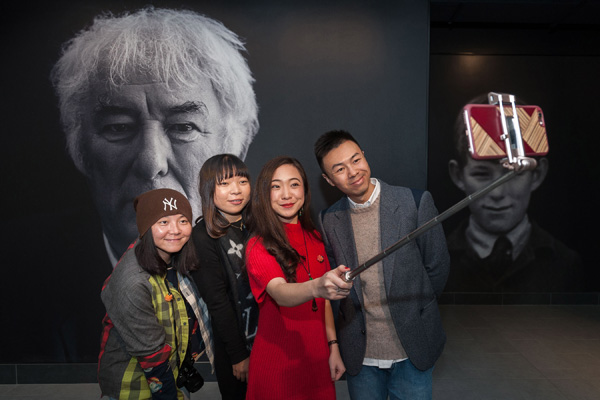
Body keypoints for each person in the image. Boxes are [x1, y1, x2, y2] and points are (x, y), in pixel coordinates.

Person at [43, 6, 258, 363]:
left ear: (236, 147)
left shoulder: (275, 257)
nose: (151, 163)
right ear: (79, 149)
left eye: (184, 127)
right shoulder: (17, 276)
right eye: (117, 127)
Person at [314, 130, 450, 400]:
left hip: (413, 347)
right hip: (361, 353)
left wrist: (415, 309)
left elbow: (437, 268)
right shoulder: (328, 219)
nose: (353, 172)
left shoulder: (414, 203)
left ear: (364, 155)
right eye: (340, 169)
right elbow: (336, 292)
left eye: (355, 159)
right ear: (328, 180)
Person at [444, 94, 584, 292]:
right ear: (458, 175)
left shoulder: (567, 264)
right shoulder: (436, 260)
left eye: (515, 173)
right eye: (482, 174)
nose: (498, 192)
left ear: (537, 174)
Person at [244, 156, 353, 400]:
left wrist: (332, 346)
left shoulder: (314, 236)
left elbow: (322, 302)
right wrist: (316, 286)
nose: (286, 194)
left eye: (294, 184)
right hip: (278, 365)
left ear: (304, 189)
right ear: (265, 194)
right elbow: (281, 292)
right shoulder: (257, 245)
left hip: (316, 359)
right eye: (276, 186)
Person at [98, 188, 213, 400]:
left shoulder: (171, 258)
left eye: (182, 221)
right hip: (135, 388)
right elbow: (152, 357)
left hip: (173, 373)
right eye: (163, 222)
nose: (175, 230)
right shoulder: (133, 282)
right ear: (145, 228)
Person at [191, 154, 258, 399]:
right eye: (225, 183)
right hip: (235, 347)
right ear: (209, 189)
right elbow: (218, 302)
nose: (236, 190)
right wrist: (239, 355)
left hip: (271, 341)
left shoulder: (259, 226)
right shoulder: (201, 236)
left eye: (242, 181)